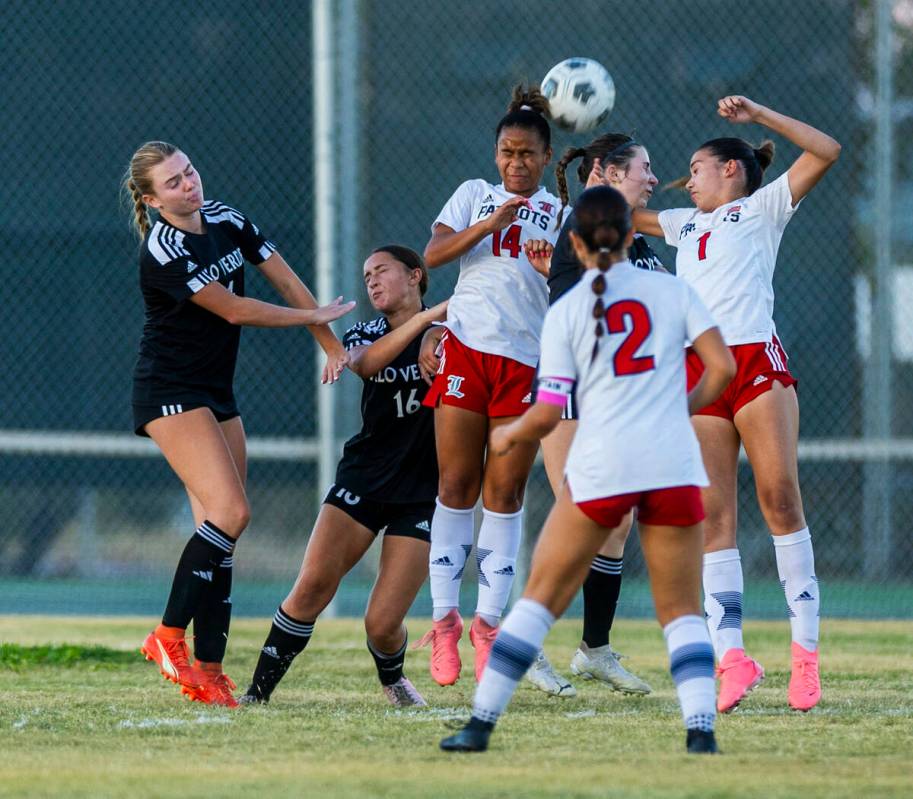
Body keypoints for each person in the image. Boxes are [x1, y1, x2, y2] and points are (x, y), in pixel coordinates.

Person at [439, 185, 736, 754]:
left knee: (540, 599)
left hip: (606, 463)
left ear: (572, 241)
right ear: (631, 236)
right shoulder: (670, 289)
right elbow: (720, 367)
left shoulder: (569, 307)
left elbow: (549, 411)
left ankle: (479, 726)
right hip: (671, 460)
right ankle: (700, 732)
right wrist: (679, 407)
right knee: (679, 610)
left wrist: (514, 432)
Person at [124, 141, 354, 707]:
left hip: (214, 392)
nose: (189, 185)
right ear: (152, 201)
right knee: (232, 512)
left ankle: (206, 671)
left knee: (221, 533)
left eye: (190, 171)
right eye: (173, 183)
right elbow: (233, 308)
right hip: (170, 393)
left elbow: (285, 280)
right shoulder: (163, 248)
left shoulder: (226, 217)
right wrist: (310, 317)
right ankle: (167, 637)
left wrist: (329, 344)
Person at [633, 95, 841, 712]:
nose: (687, 177)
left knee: (779, 499)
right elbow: (612, 214)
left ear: (731, 169)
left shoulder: (763, 207)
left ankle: (805, 659)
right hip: (699, 370)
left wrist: (760, 118)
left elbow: (826, 149)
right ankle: (733, 657)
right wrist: (611, 174)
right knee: (712, 516)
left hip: (753, 360)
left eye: (697, 167)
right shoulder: (681, 224)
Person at [239, 246, 447, 707]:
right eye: (366, 274)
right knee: (312, 587)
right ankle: (257, 694)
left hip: (423, 492)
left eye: (382, 271)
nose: (372, 281)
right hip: (364, 479)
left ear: (415, 275)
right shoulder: (368, 331)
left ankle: (393, 679)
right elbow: (365, 362)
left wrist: (437, 329)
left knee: (382, 623)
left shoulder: (453, 333)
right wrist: (427, 322)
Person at [415, 86, 568, 690]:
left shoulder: (560, 212)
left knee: (504, 494)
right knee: (455, 484)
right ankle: (444, 623)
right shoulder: (474, 195)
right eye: (507, 152)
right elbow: (432, 254)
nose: (515, 163)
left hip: (525, 361)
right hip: (467, 351)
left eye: (527, 153)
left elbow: (576, 289)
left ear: (546, 153)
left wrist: (546, 265)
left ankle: (488, 626)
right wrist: (489, 221)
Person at [522, 133, 664, 697]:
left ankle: (595, 650)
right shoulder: (588, 218)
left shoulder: (628, 235)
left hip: (613, 393)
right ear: (605, 171)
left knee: (615, 519)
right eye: (644, 168)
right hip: (574, 383)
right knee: (578, 515)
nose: (653, 178)